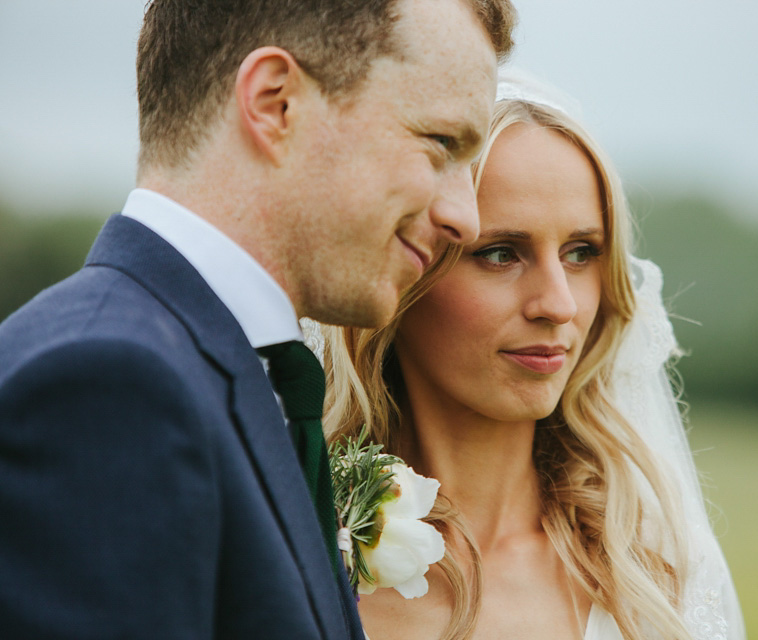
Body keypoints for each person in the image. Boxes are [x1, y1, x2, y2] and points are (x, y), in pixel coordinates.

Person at [0, 0, 515, 637]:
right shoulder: (105, 387)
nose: (465, 217)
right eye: (440, 143)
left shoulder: (242, 375)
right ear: (276, 105)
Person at [312, 71, 745, 639]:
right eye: (499, 253)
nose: (559, 305)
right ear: (401, 270)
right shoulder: (298, 553)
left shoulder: (660, 576)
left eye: (581, 253)